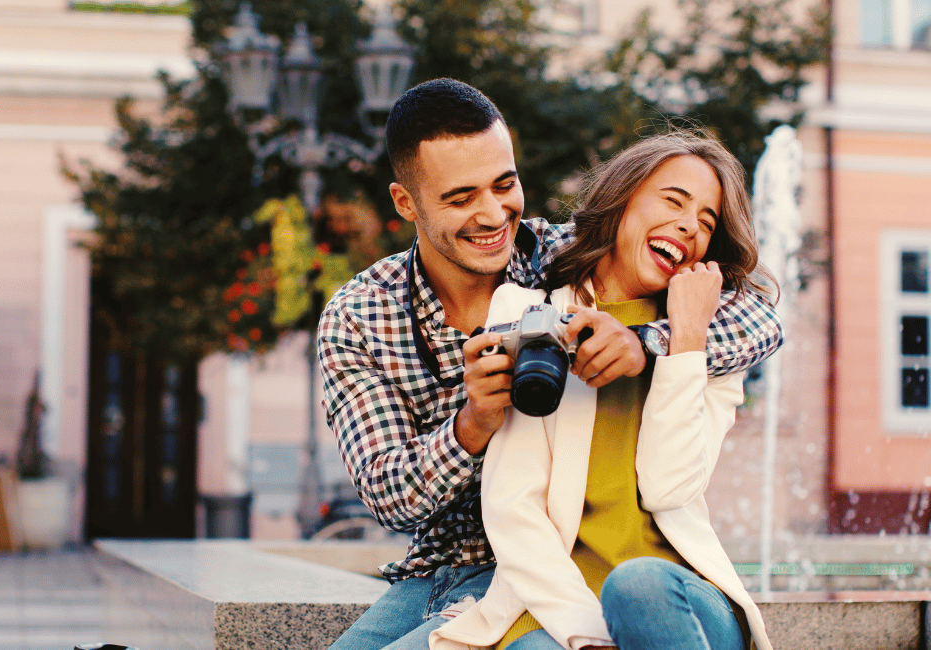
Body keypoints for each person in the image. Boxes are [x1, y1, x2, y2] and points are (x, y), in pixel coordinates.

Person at [318, 79, 783, 650]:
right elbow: (390, 495)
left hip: (553, 561)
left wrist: (646, 342)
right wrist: (473, 425)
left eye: (505, 185)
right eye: (462, 198)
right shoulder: (361, 314)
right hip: (443, 568)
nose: (493, 215)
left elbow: (756, 314)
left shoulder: (559, 257)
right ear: (406, 203)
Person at [429, 130, 773, 650]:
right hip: (558, 603)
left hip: (675, 603)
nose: (688, 225)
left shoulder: (706, 345)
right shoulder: (524, 316)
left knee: (636, 585)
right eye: (674, 201)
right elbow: (512, 507)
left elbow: (667, 488)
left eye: (706, 222)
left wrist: (686, 342)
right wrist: (587, 636)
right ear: (621, 200)